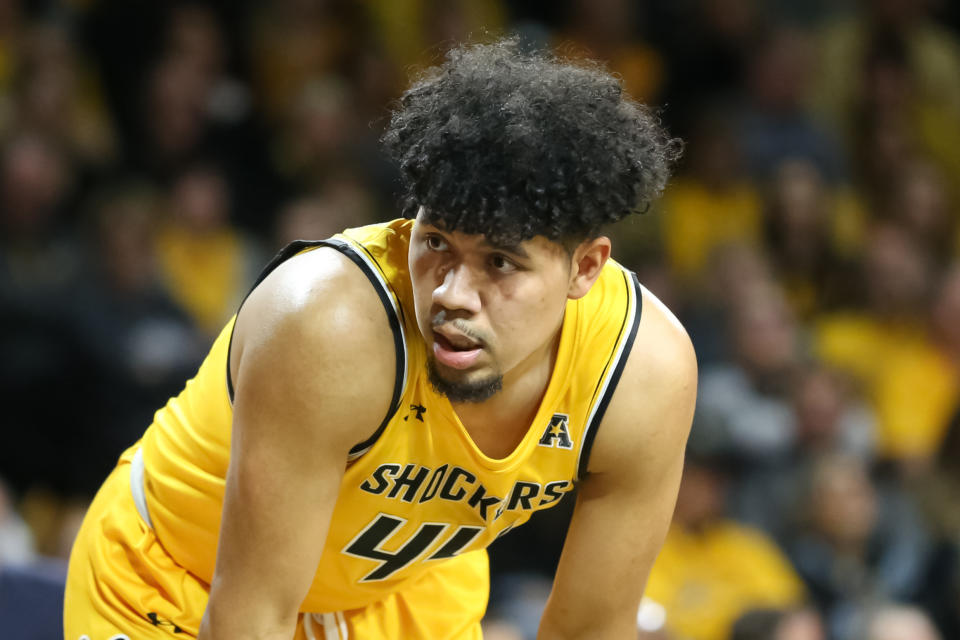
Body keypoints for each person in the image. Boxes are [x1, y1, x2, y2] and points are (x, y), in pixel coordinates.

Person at [63, 40, 695, 640]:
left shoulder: (642, 372)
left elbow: (590, 629)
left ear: (585, 268)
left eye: (499, 263)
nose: (451, 293)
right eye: (437, 243)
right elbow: (251, 616)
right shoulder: (326, 325)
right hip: (180, 579)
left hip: (398, 596)